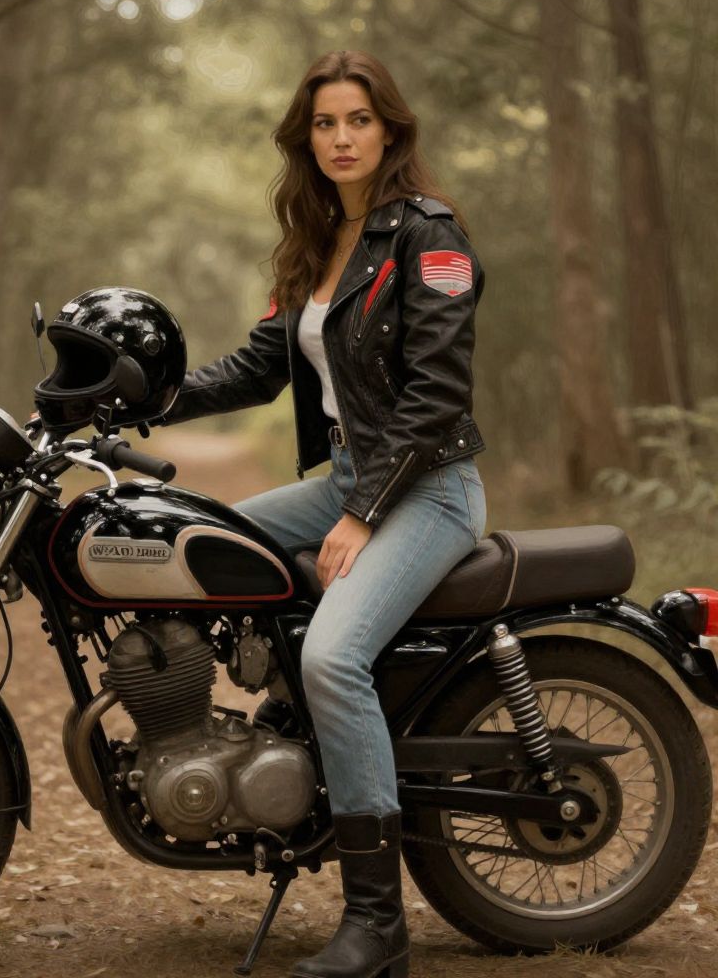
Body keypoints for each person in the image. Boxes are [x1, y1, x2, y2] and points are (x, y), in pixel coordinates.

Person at [158, 50, 487, 978]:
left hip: (426, 488)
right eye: (324, 123)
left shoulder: (432, 236)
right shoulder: (318, 243)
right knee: (190, 544)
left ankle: (377, 925)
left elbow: (436, 399)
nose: (341, 138)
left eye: (358, 120)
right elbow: (257, 368)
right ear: (306, 139)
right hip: (348, 476)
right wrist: (136, 398)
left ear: (389, 131)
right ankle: (282, 739)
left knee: (334, 658)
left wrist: (364, 516)